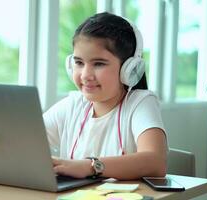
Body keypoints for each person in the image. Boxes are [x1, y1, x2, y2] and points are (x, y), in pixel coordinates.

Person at [43, 12, 167, 180]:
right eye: (79, 62)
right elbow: (25, 140)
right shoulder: (72, 105)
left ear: (129, 69)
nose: (85, 75)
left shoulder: (140, 103)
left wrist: (90, 166)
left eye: (99, 64)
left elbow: (155, 162)